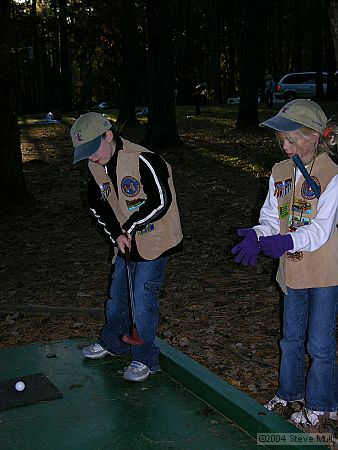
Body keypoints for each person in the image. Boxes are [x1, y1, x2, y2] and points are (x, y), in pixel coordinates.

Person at [231, 99, 338, 428]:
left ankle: (321, 404)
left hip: (324, 271)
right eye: (282, 141)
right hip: (291, 270)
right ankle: (290, 391)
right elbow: (271, 218)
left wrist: (285, 240)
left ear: (315, 137)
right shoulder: (280, 172)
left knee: (319, 343)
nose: (286, 146)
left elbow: (320, 230)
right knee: (290, 337)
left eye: (292, 140)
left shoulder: (332, 174)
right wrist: (257, 235)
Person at [70, 112, 183, 382]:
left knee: (142, 302)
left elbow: (159, 201)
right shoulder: (96, 165)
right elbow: (98, 204)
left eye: (92, 150)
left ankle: (144, 358)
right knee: (117, 297)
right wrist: (116, 235)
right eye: (85, 154)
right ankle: (113, 343)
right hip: (125, 240)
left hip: (156, 239)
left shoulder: (143, 158)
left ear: (108, 135)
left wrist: (128, 228)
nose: (91, 158)